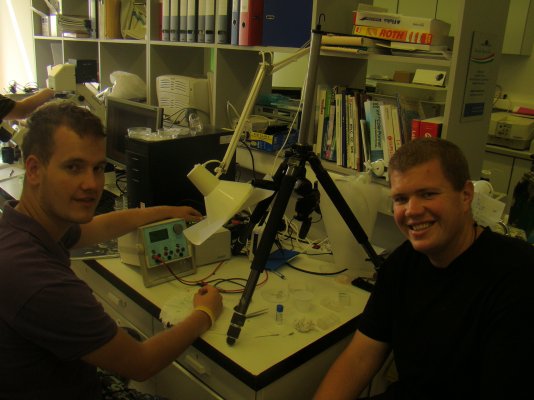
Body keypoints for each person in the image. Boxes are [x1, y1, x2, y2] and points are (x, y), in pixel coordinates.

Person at [0, 100, 223, 399]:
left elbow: (98, 228)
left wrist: (166, 211)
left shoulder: (23, 226)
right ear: (34, 170)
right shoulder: (41, 282)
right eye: (73, 167)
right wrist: (205, 313)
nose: (91, 184)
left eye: (97, 168)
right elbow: (141, 363)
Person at [314, 138, 534, 400]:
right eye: (401, 199)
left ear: (466, 195)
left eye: (428, 194)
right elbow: (359, 358)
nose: (412, 210)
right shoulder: (401, 264)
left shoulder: (518, 276)